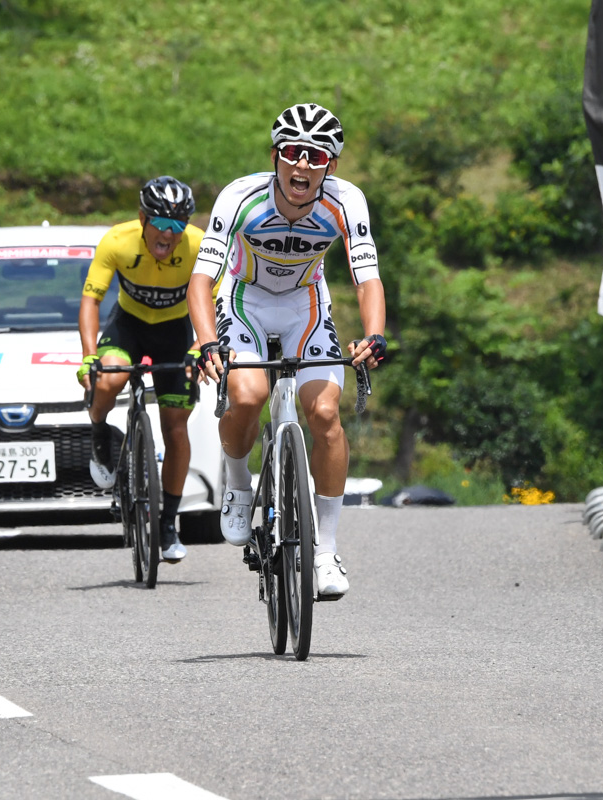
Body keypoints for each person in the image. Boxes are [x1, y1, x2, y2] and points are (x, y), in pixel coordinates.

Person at [188, 103, 387, 598]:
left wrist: (375, 334)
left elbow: (367, 278)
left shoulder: (346, 202)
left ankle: (325, 552)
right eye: (293, 153)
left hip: (305, 305)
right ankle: (237, 480)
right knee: (249, 396)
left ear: (331, 166)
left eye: (316, 156)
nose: (303, 165)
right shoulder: (241, 195)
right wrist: (206, 338)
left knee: (323, 413)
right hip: (244, 300)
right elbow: (201, 279)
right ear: (276, 155)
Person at [77, 176, 204, 564]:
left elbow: (214, 302)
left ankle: (168, 522)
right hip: (128, 326)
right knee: (109, 378)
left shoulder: (199, 245)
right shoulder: (118, 241)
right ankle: (99, 434)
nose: (168, 235)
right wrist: (87, 356)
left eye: (177, 226)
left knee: (176, 426)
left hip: (175, 331)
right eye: (161, 225)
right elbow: (90, 300)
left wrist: (200, 346)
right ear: (142, 219)